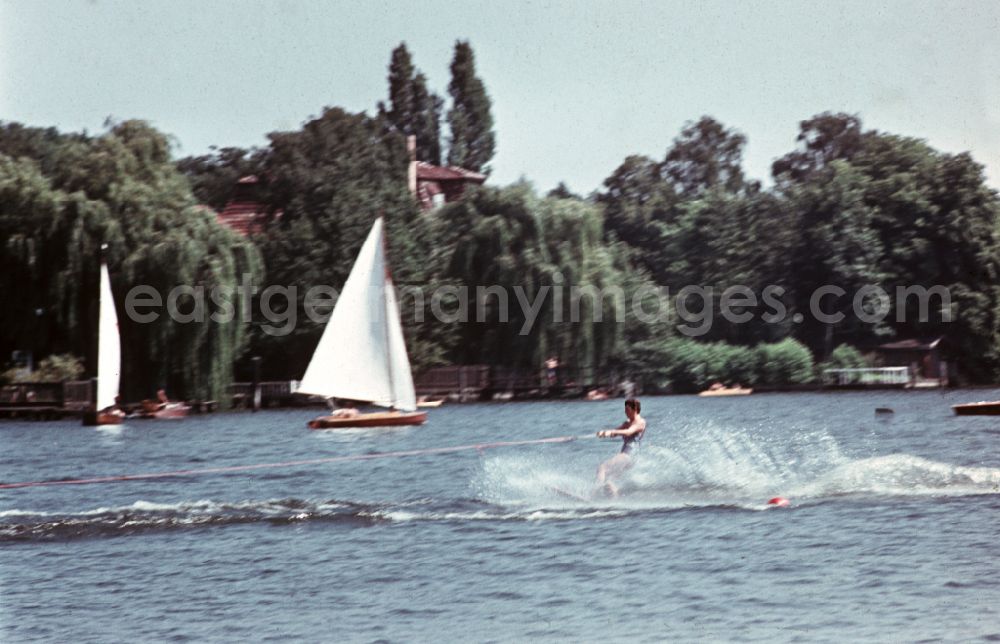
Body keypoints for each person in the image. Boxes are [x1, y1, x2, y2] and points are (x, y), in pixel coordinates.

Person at [595, 397, 646, 497]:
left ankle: (594, 493)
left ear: (635, 409)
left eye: (627, 409)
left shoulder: (640, 422)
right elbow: (615, 433)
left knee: (602, 468)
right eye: (625, 409)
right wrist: (604, 433)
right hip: (628, 457)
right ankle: (615, 502)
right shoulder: (627, 423)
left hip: (629, 455)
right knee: (609, 480)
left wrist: (612, 432)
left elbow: (628, 432)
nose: (625, 412)